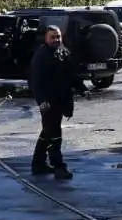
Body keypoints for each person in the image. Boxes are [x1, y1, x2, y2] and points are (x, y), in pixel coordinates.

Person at [29, 25, 89, 180]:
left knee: (47, 133)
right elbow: (35, 82)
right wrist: (41, 101)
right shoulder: (41, 56)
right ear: (46, 38)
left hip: (61, 100)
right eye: (53, 37)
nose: (56, 40)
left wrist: (83, 89)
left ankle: (38, 164)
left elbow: (72, 75)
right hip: (48, 103)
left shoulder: (63, 52)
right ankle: (59, 166)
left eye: (58, 37)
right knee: (54, 135)